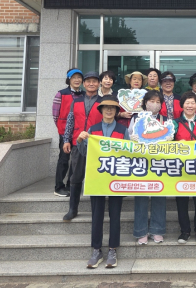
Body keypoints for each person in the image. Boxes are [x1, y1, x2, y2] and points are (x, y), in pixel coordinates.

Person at [79, 96, 129, 269]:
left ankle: (113, 249)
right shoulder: (93, 130)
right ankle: (96, 250)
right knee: (97, 215)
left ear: (116, 111)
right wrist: (80, 140)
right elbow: (84, 153)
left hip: (116, 179)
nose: (109, 110)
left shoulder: (123, 130)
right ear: (101, 111)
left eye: (112, 108)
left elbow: (129, 154)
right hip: (97, 179)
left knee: (115, 215)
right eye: (106, 107)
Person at [62, 71, 103, 221]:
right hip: (77, 143)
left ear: (99, 84)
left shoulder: (103, 102)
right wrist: (66, 139)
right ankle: (72, 209)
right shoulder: (76, 101)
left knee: (96, 176)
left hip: (97, 145)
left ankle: (96, 210)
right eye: (88, 81)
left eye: (94, 81)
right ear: (84, 84)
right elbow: (70, 122)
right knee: (76, 176)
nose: (91, 84)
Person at [128, 91, 168, 245]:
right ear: (145, 102)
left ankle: (157, 230)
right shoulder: (136, 118)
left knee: (160, 194)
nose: (154, 104)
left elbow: (170, 138)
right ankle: (141, 231)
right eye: (151, 101)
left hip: (159, 163)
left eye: (158, 102)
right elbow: (129, 137)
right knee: (141, 195)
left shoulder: (165, 120)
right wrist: (135, 139)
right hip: (141, 162)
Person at [174, 92, 196, 244]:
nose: (189, 106)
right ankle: (184, 231)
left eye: (192, 103)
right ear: (182, 105)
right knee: (181, 200)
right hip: (180, 167)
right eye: (187, 103)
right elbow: (167, 143)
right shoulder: (175, 123)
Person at [52, 68, 83, 197]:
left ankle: (71, 185)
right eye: (74, 77)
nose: (77, 80)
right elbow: (55, 115)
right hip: (65, 132)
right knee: (64, 160)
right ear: (69, 79)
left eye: (79, 77)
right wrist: (62, 130)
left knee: (76, 160)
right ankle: (59, 187)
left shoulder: (83, 95)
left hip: (78, 133)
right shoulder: (61, 94)